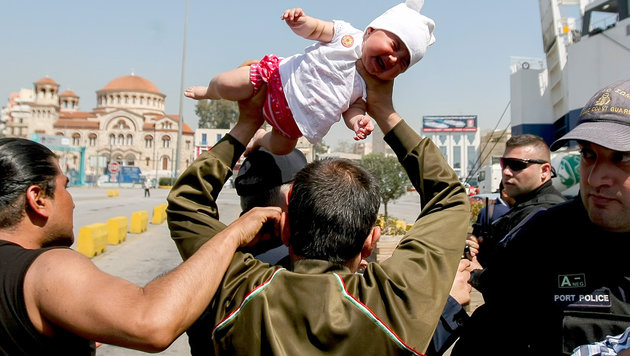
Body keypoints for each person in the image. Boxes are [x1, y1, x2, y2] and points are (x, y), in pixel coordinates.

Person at [167, 60, 470, 354]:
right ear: (370, 242)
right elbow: (450, 199)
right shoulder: (394, 304)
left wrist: (246, 125)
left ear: (284, 226)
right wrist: (384, 112)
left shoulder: (237, 286)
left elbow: (186, 204)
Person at [0, 135, 281, 354]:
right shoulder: (48, 270)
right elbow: (153, 323)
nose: (71, 201)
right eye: (66, 186)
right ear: (38, 199)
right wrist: (231, 236)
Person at [452, 79, 630, 355]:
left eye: (621, 158)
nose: (595, 178)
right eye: (588, 154)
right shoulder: (541, 238)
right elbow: (488, 334)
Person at [185, 1, 435, 155]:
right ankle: (210, 91)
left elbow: (352, 109)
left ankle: (260, 140)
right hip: (275, 80)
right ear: (370, 31)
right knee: (228, 84)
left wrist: (358, 121)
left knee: (283, 148)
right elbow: (317, 29)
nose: (393, 58)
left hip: (293, 124)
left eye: (403, 62)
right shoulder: (348, 36)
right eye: (394, 44)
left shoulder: (368, 88)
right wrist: (300, 21)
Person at [466, 134, 566, 268]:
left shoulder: (547, 215)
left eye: (516, 165)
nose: (506, 171)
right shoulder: (523, 209)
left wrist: (476, 270)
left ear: (544, 171)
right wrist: (476, 247)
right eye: (504, 163)